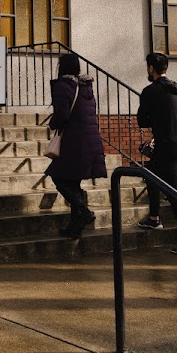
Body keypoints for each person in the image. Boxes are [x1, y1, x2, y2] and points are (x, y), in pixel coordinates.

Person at [136, 51, 177, 255]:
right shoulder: (176, 88)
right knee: (151, 173)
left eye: (148, 67)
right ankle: (154, 218)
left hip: (167, 146)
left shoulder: (150, 91)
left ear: (151, 68)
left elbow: (142, 121)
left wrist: (153, 119)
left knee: (174, 194)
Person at [46, 53, 107, 238]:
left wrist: (52, 124)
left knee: (58, 177)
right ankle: (75, 227)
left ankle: (84, 211)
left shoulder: (63, 86)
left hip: (74, 142)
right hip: (90, 140)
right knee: (73, 182)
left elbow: (62, 115)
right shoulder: (85, 87)